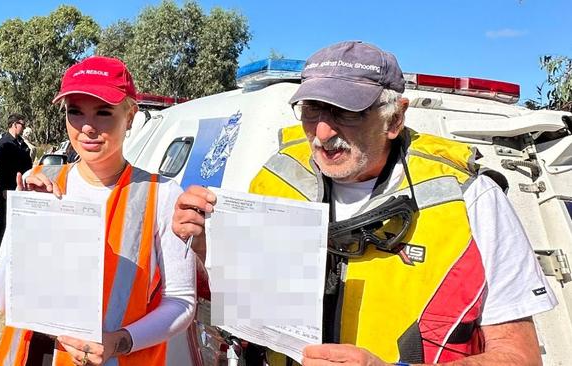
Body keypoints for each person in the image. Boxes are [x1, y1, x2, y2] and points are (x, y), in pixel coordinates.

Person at [172, 41, 557, 365]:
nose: (322, 133)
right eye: (312, 110)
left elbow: (519, 355)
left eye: (345, 112)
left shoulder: (471, 200)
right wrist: (207, 246)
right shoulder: (275, 178)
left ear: (394, 119)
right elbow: (240, 301)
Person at [0, 56, 196, 366]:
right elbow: (2, 299)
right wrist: (26, 222)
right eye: (75, 112)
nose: (87, 127)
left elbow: (181, 301)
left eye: (103, 112)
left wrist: (121, 341)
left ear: (130, 116)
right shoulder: (43, 186)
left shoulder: (163, 194)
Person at [0, 113, 33, 260]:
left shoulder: (21, 143)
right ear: (15, 124)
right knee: (3, 220)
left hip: (21, 187)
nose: (24, 127)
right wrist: (2, 188)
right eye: (22, 124)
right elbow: (0, 168)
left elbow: (27, 164)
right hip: (8, 187)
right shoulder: (3, 143)